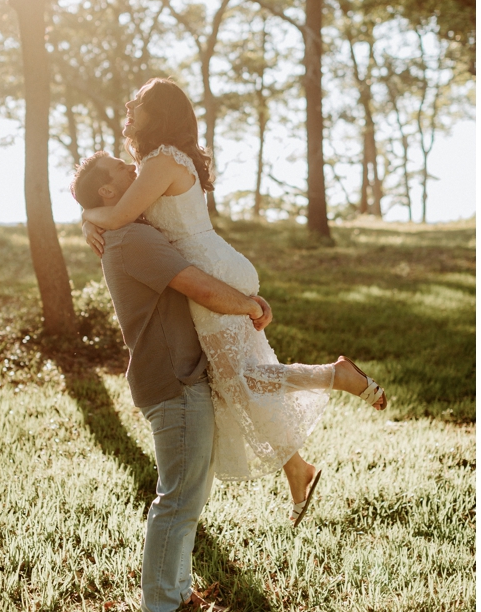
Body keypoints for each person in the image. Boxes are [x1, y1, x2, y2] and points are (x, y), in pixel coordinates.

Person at [73, 78, 386, 526]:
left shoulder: (162, 160)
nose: (128, 105)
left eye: (138, 102)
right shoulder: (161, 161)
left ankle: (335, 376)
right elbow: (123, 207)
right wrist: (88, 212)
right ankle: (297, 469)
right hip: (217, 262)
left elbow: (119, 215)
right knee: (236, 380)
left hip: (208, 273)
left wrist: (86, 215)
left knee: (239, 381)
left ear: (158, 113)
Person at [76, 153, 277, 612]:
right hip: (173, 382)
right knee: (178, 500)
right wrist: (251, 304)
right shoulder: (133, 239)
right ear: (107, 192)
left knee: (188, 494)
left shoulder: (129, 232)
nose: (134, 170)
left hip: (180, 377)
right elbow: (200, 287)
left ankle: (178, 592)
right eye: (123, 170)